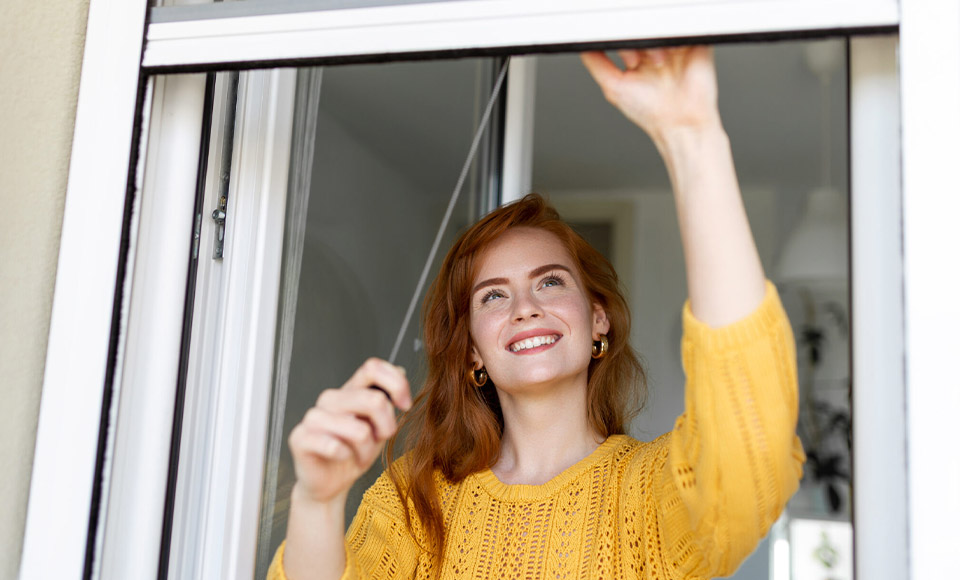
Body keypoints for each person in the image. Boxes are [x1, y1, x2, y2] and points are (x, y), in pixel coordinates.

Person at [269, 46, 805, 580]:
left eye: (550, 281)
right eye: (493, 296)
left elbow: (750, 444)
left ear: (599, 319)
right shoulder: (415, 499)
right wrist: (317, 500)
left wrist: (693, 138)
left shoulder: (651, 492)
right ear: (473, 349)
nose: (526, 308)